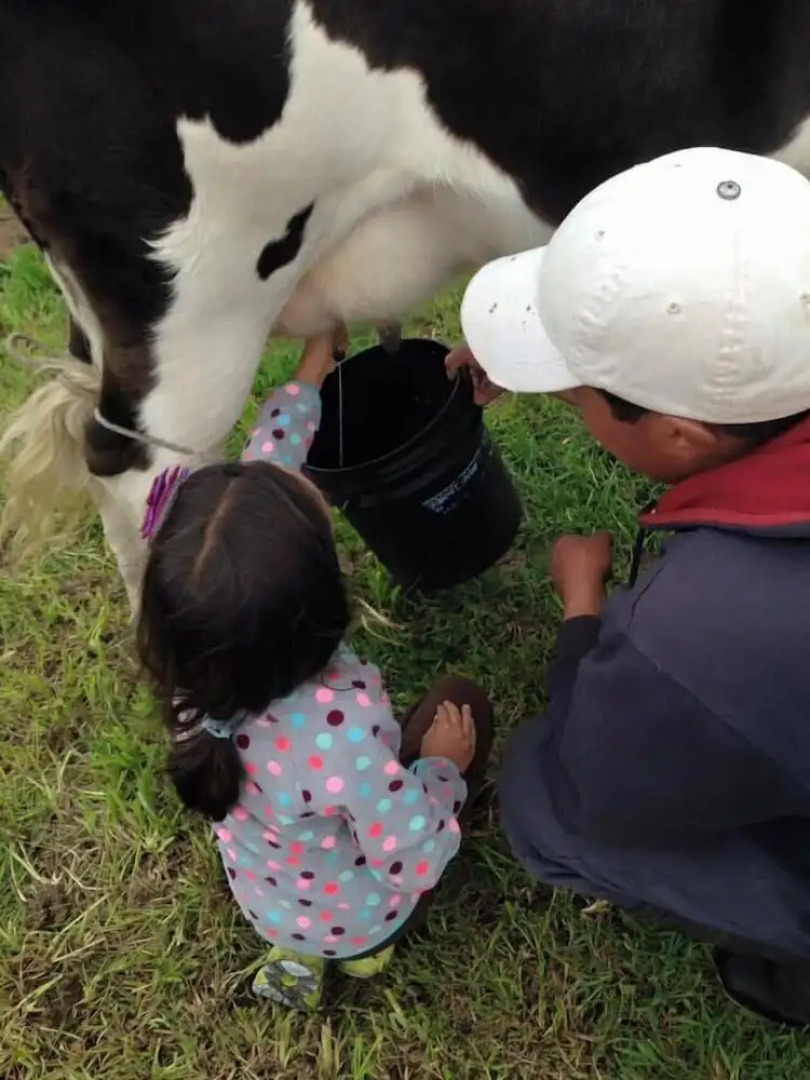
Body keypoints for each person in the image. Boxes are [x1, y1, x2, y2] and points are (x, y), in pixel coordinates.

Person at [451, 146, 810, 1027]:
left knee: (547, 804)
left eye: (579, 398)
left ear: (685, 439)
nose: (571, 404)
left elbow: (600, 781)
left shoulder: (701, 630)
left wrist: (585, 612)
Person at [135, 333, 494, 1011]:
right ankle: (363, 956)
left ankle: (295, 955)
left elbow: (264, 473)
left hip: (270, 906)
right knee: (460, 701)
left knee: (309, 847)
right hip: (362, 915)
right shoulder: (339, 731)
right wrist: (440, 770)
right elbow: (412, 856)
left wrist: (311, 372)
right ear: (317, 604)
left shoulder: (197, 662)